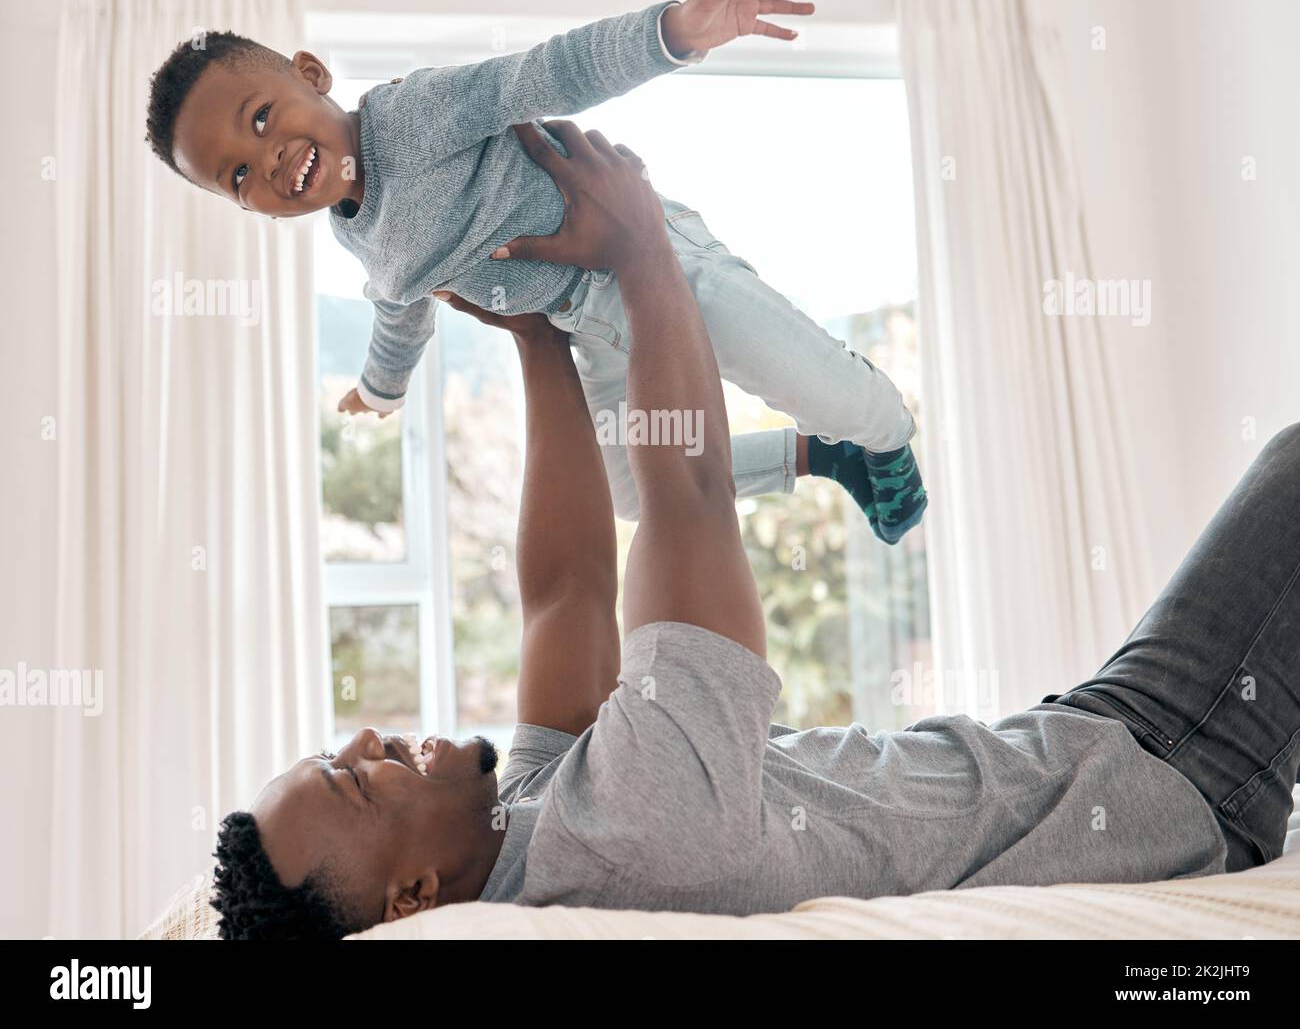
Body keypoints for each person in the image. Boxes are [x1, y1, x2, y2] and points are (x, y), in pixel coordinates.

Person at [211, 121, 1299, 940]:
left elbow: (569, 587)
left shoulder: (535, 822)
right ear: (411, 897)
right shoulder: (635, 831)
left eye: (335, 749)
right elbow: (685, 489)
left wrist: (537, 329)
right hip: (1165, 762)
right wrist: (641, 251)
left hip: (1080, 740)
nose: (365, 739)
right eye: (356, 780)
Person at [144, 0, 926, 544]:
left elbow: (546, 73)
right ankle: (819, 455)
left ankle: (874, 427)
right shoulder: (355, 233)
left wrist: (675, 32)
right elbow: (400, 314)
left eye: (260, 117)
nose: (268, 162)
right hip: (591, 320)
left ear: (310, 76)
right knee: (633, 488)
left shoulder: (410, 115)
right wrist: (380, 393)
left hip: (655, 263)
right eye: (237, 176)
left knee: (854, 408)